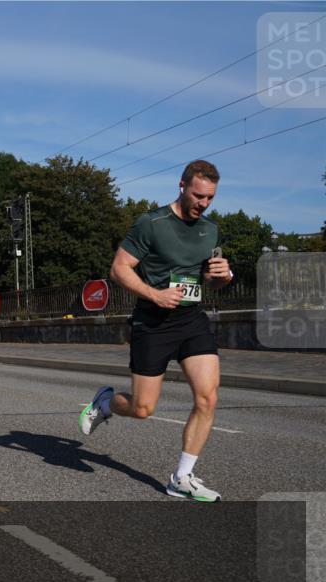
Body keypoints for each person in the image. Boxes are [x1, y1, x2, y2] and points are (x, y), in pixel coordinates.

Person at [80, 160, 233, 502]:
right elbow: (119, 268)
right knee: (142, 409)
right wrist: (154, 294)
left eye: (210, 198)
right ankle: (105, 403)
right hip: (152, 322)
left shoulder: (211, 230)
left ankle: (182, 476)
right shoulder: (151, 223)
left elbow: (211, 279)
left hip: (191, 320)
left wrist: (223, 277)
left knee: (208, 397)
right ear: (182, 186)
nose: (203, 204)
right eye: (198, 196)